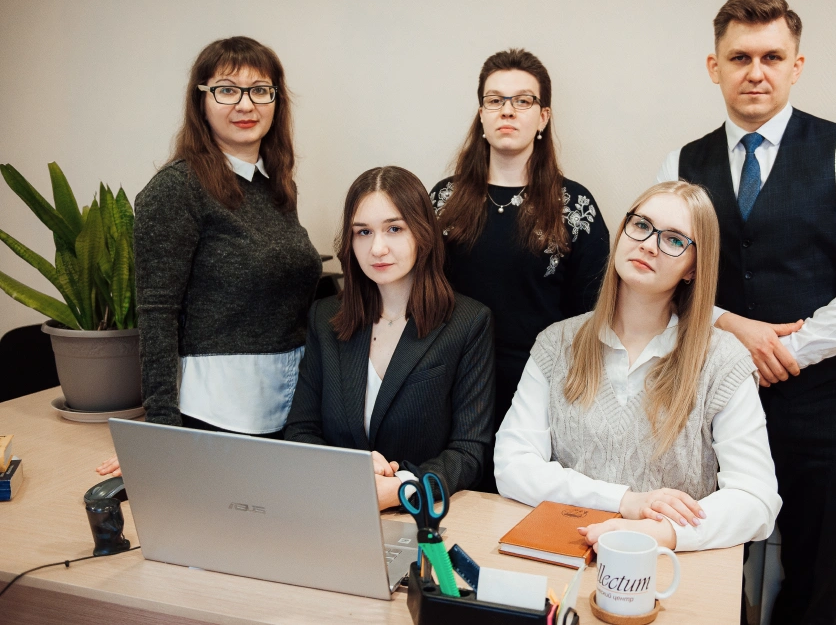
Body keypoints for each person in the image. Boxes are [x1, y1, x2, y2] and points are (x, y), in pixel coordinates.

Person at [656, 0, 836, 623]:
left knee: (815, 580)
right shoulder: (682, 163)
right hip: (718, 403)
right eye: (739, 57)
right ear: (714, 67)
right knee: (709, 571)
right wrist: (730, 325)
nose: (756, 72)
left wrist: (787, 350)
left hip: (833, 407)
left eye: (772, 57)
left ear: (796, 66)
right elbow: (661, 278)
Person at [495, 181, 781, 552]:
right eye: (641, 225)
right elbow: (512, 466)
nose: (648, 244)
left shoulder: (722, 362)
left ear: (694, 268)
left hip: (665, 566)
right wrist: (625, 501)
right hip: (565, 553)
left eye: (674, 240)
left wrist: (659, 533)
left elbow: (756, 498)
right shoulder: (557, 343)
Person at [97, 36, 321, 477]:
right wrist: (160, 433)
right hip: (215, 413)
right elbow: (157, 315)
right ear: (200, 101)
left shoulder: (277, 186)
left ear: (276, 100)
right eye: (226, 90)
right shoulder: (176, 189)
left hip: (287, 404)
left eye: (260, 90)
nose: (246, 104)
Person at [430, 48, 610, 492]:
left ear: (543, 117)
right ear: (481, 115)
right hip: (451, 382)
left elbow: (591, 317)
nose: (507, 110)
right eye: (495, 100)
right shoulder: (442, 201)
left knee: (521, 504)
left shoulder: (575, 207)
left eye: (523, 100)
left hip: (538, 390)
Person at [284, 166, 494, 507]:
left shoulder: (468, 322)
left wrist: (403, 488)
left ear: (423, 233)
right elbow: (300, 431)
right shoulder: (325, 317)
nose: (377, 248)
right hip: (336, 506)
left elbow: (468, 451)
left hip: (423, 514)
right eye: (363, 232)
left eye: (394, 229)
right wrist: (349, 471)